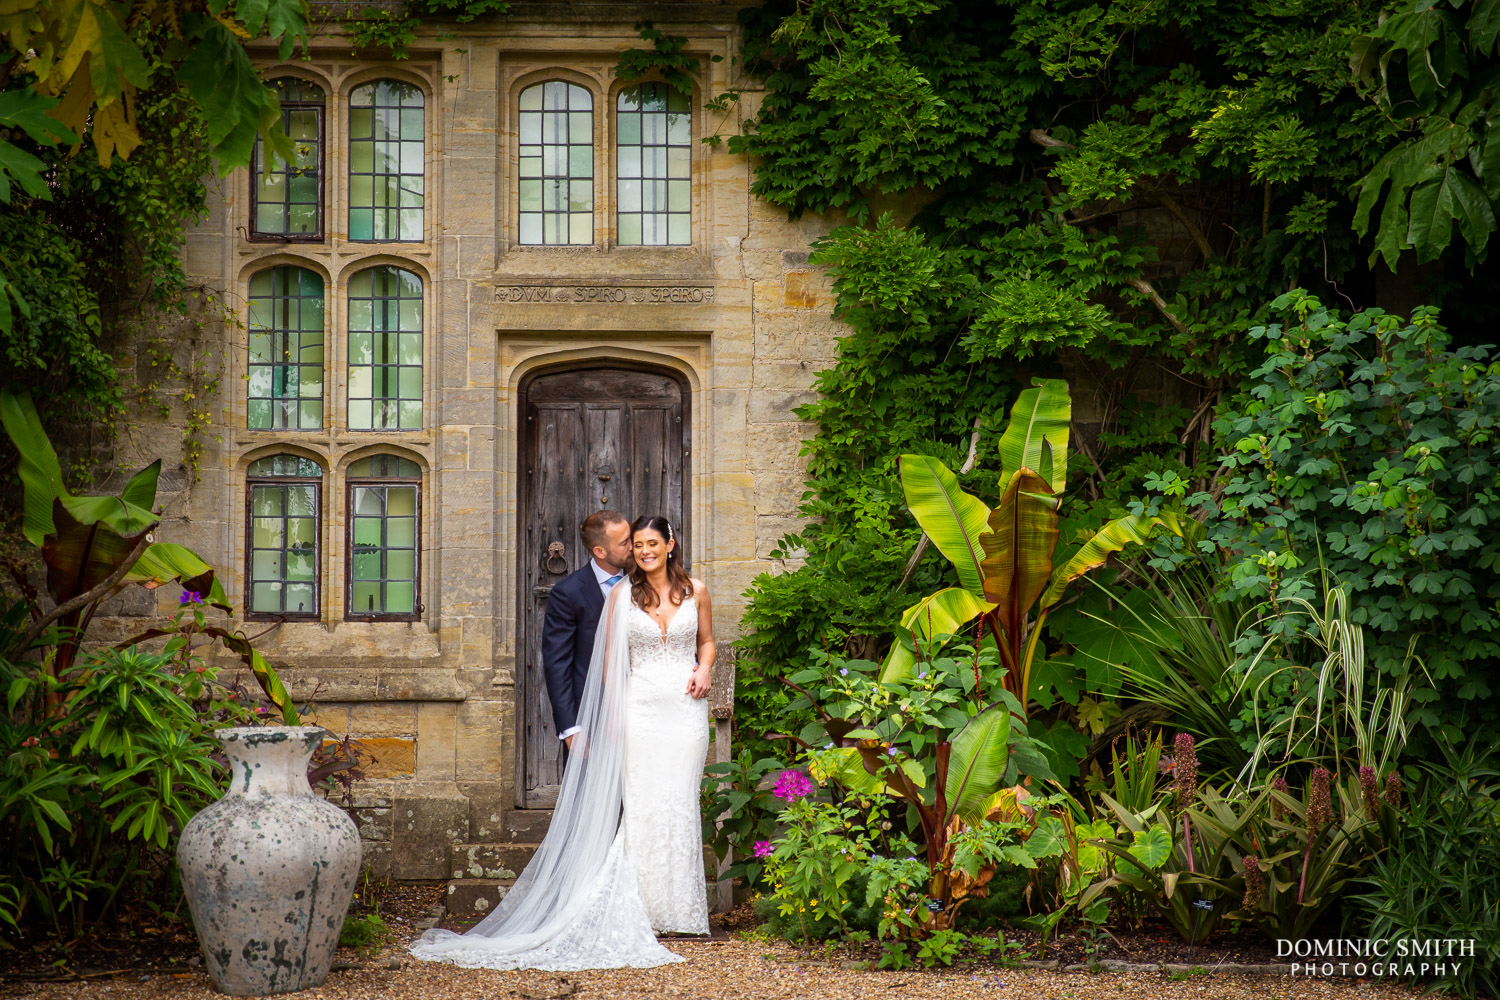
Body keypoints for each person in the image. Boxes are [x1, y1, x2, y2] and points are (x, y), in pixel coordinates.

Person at [409, 515, 715, 970]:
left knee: (681, 802)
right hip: (642, 710)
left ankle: (684, 910)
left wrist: (704, 668)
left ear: (671, 544)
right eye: (637, 543)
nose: (643, 550)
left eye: (652, 543)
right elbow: (607, 664)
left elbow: (707, 642)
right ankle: (644, 908)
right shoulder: (621, 595)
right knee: (644, 805)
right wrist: (603, 719)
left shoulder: (697, 590)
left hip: (685, 711)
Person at [540, 510, 632, 754]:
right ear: (600, 552)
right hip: (592, 716)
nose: (634, 546)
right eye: (624, 543)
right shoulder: (568, 593)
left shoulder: (643, 581)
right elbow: (557, 664)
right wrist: (571, 729)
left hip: (641, 710)